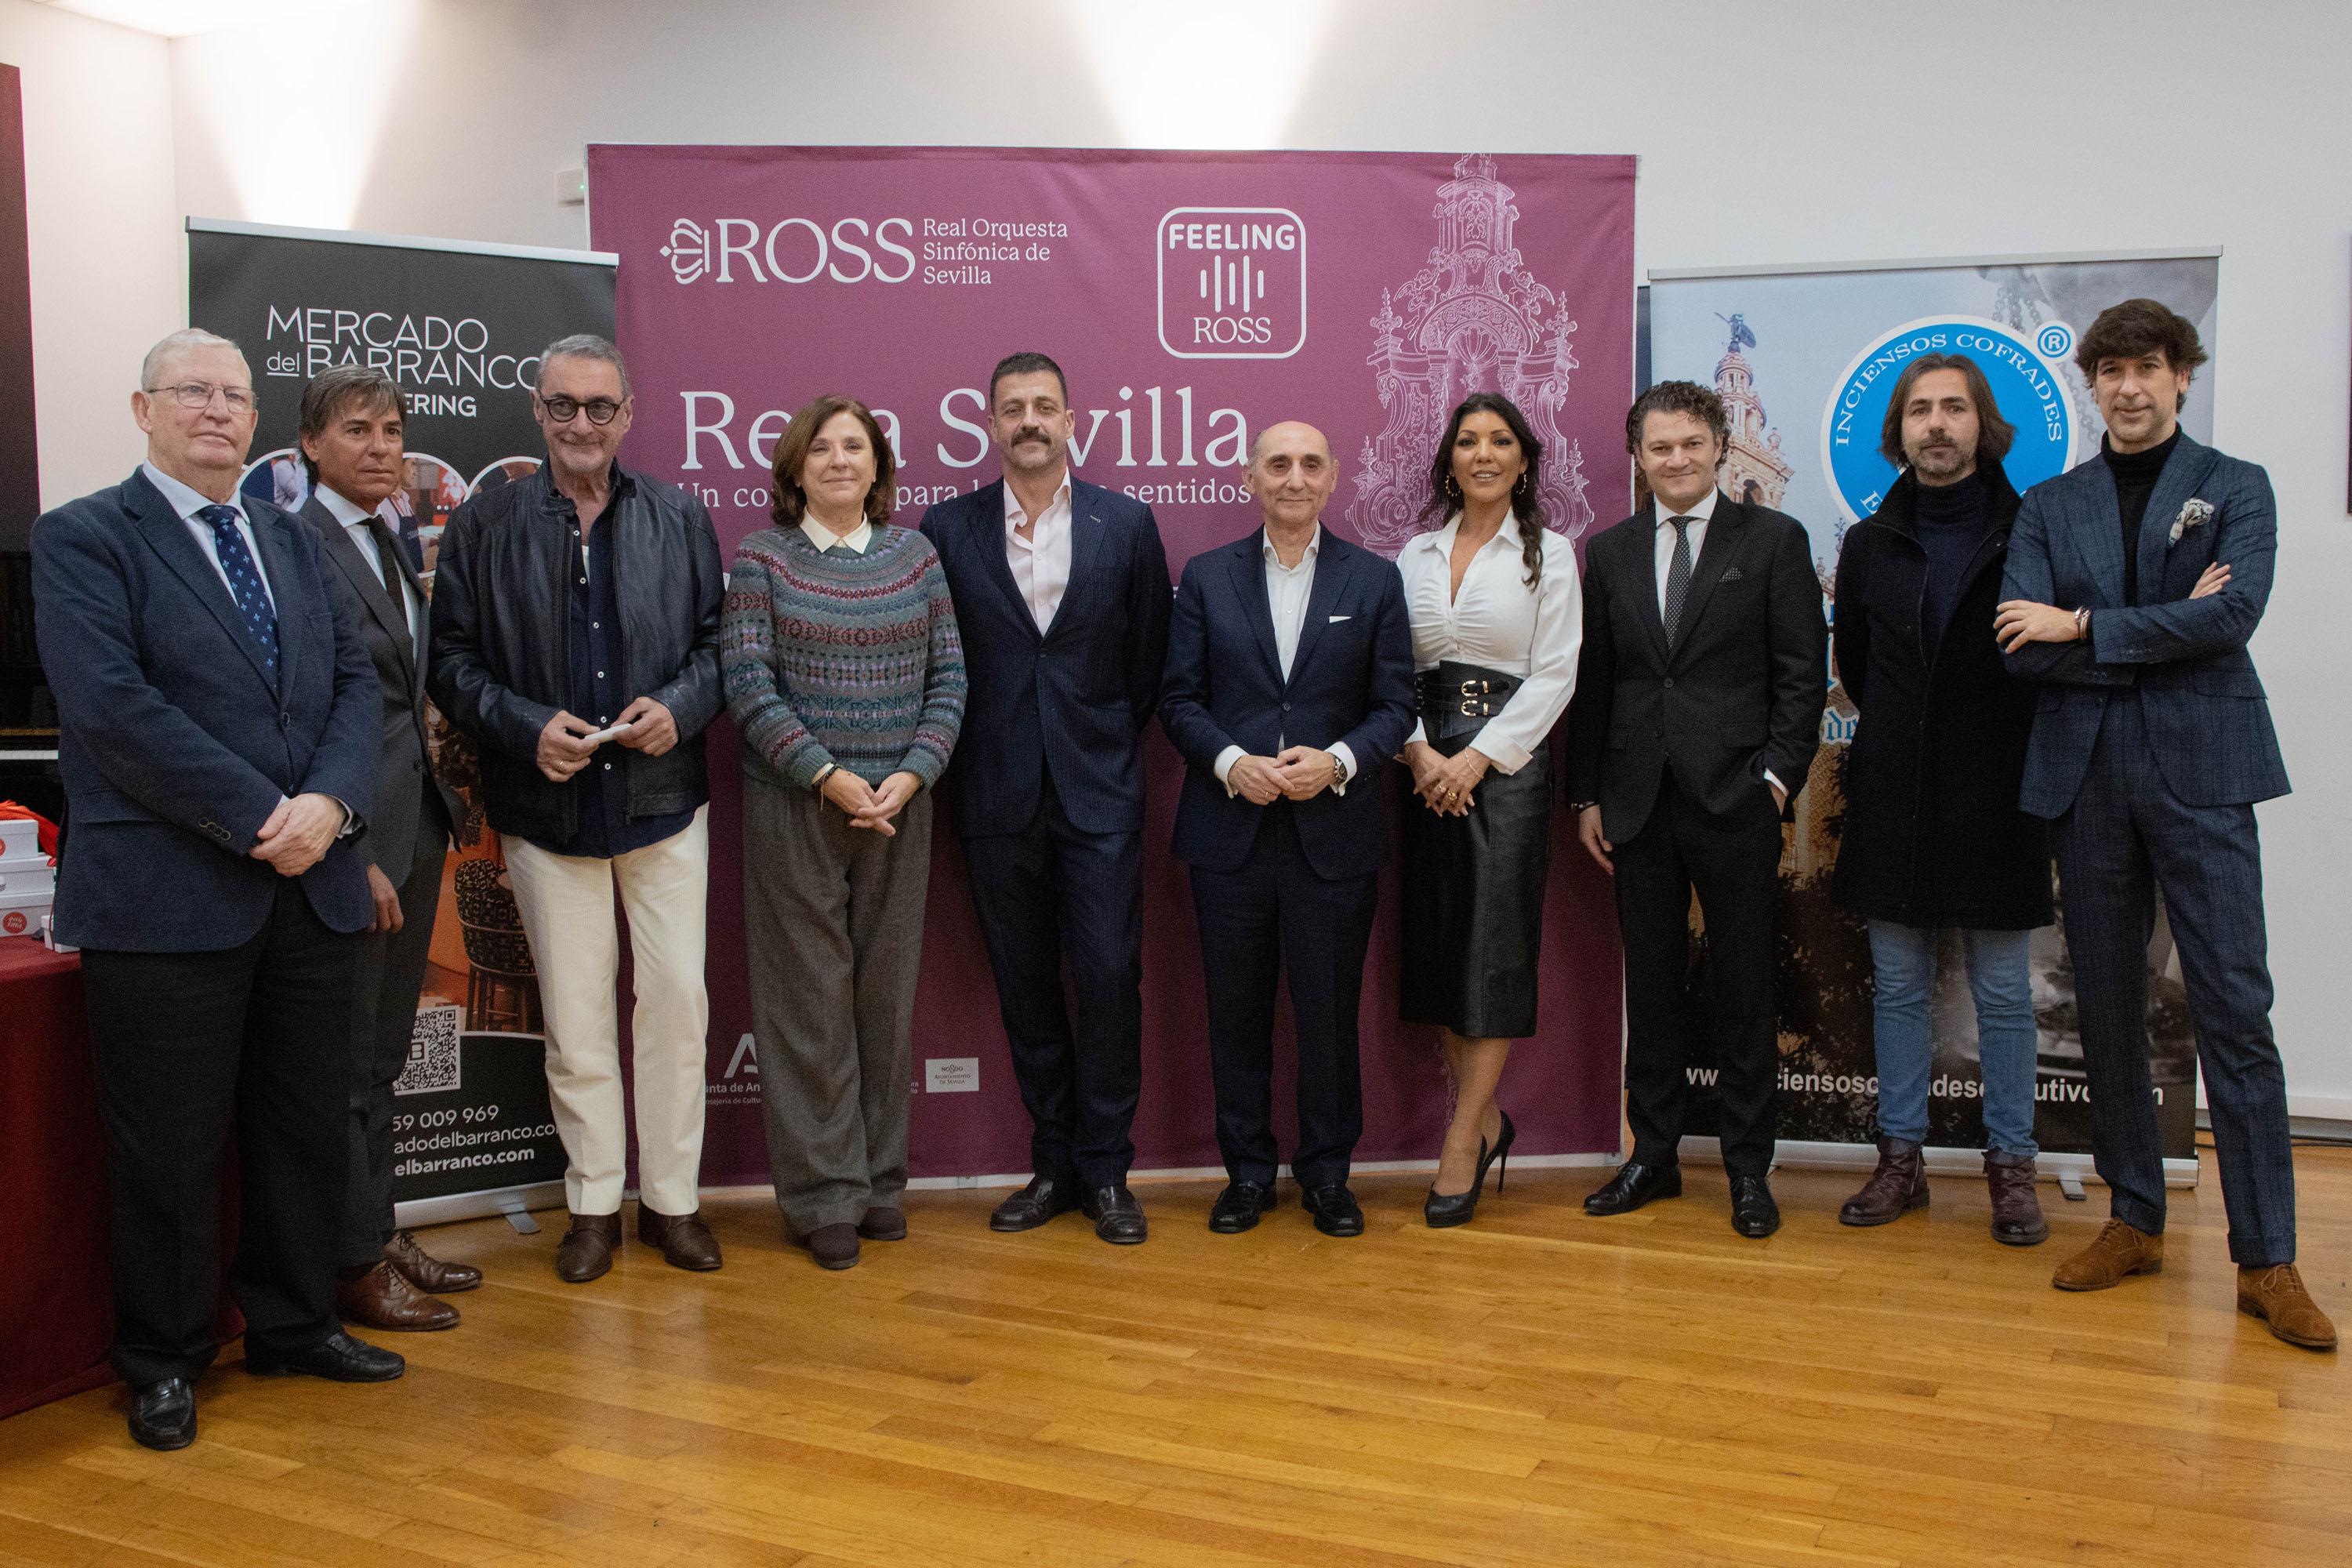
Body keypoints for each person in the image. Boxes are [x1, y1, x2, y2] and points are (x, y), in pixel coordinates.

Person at [32, 329, 404, 1450]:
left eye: (236, 397)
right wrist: (263, 819)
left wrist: (332, 811)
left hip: (312, 888)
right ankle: (163, 1358)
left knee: (300, 1131)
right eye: (193, 392)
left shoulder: (292, 540)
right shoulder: (85, 537)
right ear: (142, 409)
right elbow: (111, 711)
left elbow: (354, 686)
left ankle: (292, 1325)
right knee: (169, 1148)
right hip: (167, 899)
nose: (217, 412)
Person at [1995, 298, 2334, 1350]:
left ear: (2182, 376)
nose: (2130, 387)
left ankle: (2267, 1259)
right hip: (2085, 776)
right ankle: (2134, 1217)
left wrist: (2087, 621)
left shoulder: (2237, 488)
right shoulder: (2051, 505)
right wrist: (2164, 625)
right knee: (2104, 1006)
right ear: (2090, 385)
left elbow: (2232, 618)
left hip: (2206, 768)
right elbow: (2020, 641)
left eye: (2149, 367)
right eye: (2111, 371)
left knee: (2236, 1009)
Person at [427, 334, 726, 1284]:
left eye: (600, 407)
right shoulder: (486, 522)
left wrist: (676, 710)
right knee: (578, 1016)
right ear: (538, 410)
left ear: (629, 412)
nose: (582, 425)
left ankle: (673, 1202)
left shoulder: (680, 517)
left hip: (663, 805)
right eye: (564, 406)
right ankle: (594, 1202)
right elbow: (451, 663)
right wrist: (522, 727)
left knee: (677, 1004)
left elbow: (723, 649)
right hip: (546, 809)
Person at [917, 353, 1171, 1245]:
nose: (1030, 420)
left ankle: (1108, 1171)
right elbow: (938, 659)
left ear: (1072, 420)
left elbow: (1147, 666)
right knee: (1026, 989)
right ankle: (1055, 1163)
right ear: (990, 423)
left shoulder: (1126, 524)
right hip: (993, 792)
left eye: (1045, 406)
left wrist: (1094, 743)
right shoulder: (945, 528)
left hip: (1100, 792)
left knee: (1107, 978)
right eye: (1013, 408)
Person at [1563, 380, 1826, 1239]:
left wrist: (1780, 779)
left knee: (1747, 984)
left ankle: (1750, 1168)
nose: (1677, 459)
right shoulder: (1608, 551)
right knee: (1655, 985)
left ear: (1718, 446)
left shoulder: (1776, 540)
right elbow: (1598, 680)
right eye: (1659, 446)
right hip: (1637, 802)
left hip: (1736, 798)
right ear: (1638, 455)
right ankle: (1655, 1156)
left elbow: (1800, 672)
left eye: (1691, 443)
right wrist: (1588, 792)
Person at [1831, 355, 2078, 1245]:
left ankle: (2012, 1166)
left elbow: (2053, 660)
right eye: (1920, 411)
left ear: (1984, 424)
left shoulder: (2036, 532)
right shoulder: (1868, 546)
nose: (1936, 424)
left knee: (2003, 993)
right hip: (1895, 791)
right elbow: (1858, 667)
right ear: (1898, 431)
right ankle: (1901, 1159)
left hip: (2001, 793)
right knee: (1898, 988)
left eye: (1954, 408)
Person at [722, 395, 965, 1271]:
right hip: (797, 802)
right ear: (794, 469)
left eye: (853, 446)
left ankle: (882, 1182)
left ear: (877, 465)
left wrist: (911, 772)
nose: (836, 460)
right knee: (806, 1003)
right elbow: (748, 679)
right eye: (819, 448)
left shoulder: (916, 556)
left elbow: (950, 676)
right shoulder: (761, 557)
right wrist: (826, 773)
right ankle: (824, 1192)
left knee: (882, 996)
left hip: (901, 804)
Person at [1160, 421, 1414, 1237]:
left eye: (1310, 462)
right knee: (1234, 1012)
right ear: (1250, 478)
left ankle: (1328, 1175)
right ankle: (1245, 1175)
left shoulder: (1372, 579)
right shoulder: (1206, 576)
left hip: (1333, 834)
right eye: (1278, 463)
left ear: (1333, 476)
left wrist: (1337, 760)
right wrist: (1233, 761)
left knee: (1329, 1015)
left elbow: (1396, 706)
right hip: (1228, 831)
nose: (1294, 476)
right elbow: (1179, 699)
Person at [292, 365, 478, 1327]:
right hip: (355, 841)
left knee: (386, 1054)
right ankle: (351, 1260)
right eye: (358, 429)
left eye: (393, 429)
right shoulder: (298, 543)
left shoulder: (389, 535)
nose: (381, 446)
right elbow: (308, 713)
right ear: (309, 446)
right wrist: (347, 847)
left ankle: (379, 1225)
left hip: (416, 823)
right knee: (352, 1057)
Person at [1394, 393, 1581, 1227]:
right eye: (1467, 440)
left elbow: (1555, 675)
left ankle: (1463, 1138)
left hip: (1505, 771)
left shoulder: (1553, 554)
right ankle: (1487, 1118)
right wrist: (1421, 752)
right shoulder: (1414, 554)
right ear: (1449, 458)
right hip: (1423, 769)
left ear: (1525, 459)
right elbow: (1386, 669)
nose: (1482, 453)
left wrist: (1476, 757)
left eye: (1499, 440)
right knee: (1441, 950)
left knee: (1492, 954)